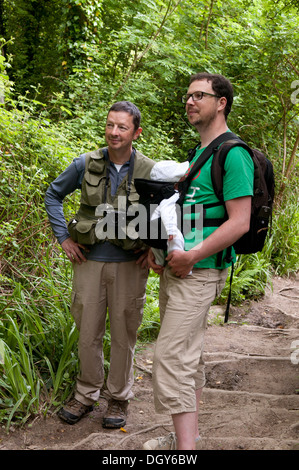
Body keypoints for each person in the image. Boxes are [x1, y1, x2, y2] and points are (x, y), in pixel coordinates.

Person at [142, 72, 254, 450]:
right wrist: (162, 251)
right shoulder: (197, 154)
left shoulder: (233, 154)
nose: (190, 102)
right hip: (179, 267)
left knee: (169, 357)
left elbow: (240, 222)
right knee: (188, 355)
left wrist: (191, 255)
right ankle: (187, 440)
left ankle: (185, 451)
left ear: (221, 102)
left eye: (199, 96)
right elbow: (188, 214)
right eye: (188, 96)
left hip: (201, 271)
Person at [45, 101, 155, 429]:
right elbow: (53, 194)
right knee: (87, 331)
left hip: (130, 266)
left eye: (122, 127)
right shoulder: (85, 163)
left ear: (136, 132)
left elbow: (167, 214)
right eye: (109, 125)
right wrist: (64, 237)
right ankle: (85, 395)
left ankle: (118, 397)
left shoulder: (150, 170)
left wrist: (155, 250)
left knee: (124, 334)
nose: (113, 132)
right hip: (89, 262)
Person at [149, 160, 189, 268]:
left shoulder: (158, 195)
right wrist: (171, 230)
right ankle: (177, 263)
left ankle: (160, 262)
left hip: (153, 225)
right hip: (166, 225)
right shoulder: (172, 195)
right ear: (175, 184)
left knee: (156, 248)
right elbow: (166, 211)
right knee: (177, 240)